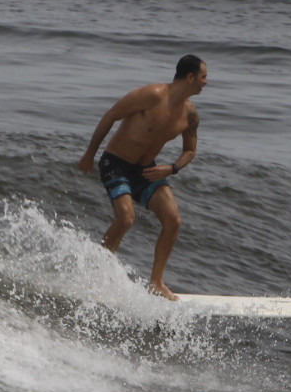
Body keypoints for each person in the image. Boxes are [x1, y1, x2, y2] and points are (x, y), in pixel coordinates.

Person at [77, 55, 207, 299]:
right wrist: (90, 153)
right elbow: (111, 115)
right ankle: (96, 275)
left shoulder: (190, 115)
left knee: (173, 220)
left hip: (146, 170)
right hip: (115, 163)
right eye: (203, 77)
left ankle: (156, 282)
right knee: (126, 218)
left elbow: (190, 150)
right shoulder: (152, 95)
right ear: (190, 77)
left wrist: (172, 168)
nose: (206, 82)